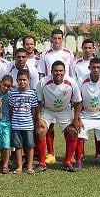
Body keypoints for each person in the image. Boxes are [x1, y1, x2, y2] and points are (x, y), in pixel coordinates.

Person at [37, 29, 76, 164]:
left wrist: (71, 93)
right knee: (48, 128)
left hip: (65, 93)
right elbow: (41, 73)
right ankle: (51, 154)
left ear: (63, 39)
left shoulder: (68, 53)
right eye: (55, 38)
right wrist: (42, 88)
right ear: (51, 39)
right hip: (49, 92)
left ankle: (69, 157)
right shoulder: (45, 54)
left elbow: (72, 72)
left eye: (59, 38)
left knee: (70, 129)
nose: (57, 41)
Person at [35, 60, 82, 172]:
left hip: (64, 110)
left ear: (65, 71)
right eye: (56, 71)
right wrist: (38, 119)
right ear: (51, 72)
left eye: (61, 71)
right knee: (40, 131)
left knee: (73, 131)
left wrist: (76, 119)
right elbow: (38, 102)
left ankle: (67, 162)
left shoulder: (71, 82)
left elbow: (77, 102)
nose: (58, 73)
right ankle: (42, 163)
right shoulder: (43, 82)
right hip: (47, 110)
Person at [8, 69, 38, 174]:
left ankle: (29, 166)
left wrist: (33, 121)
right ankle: (19, 166)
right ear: (17, 80)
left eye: (24, 80)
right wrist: (13, 120)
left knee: (30, 145)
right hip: (16, 124)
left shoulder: (32, 94)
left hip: (28, 124)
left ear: (28, 80)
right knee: (18, 146)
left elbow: (34, 109)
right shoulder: (13, 94)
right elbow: (11, 109)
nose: (22, 82)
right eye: (20, 80)